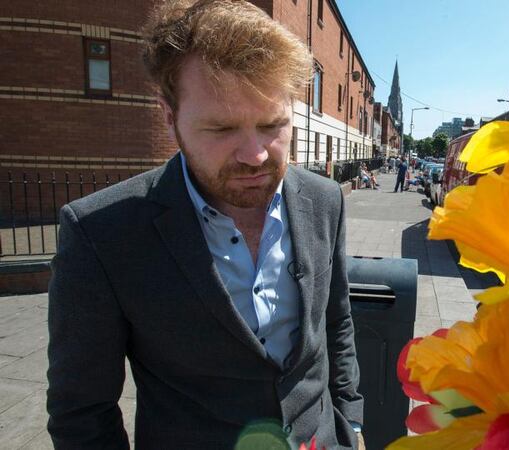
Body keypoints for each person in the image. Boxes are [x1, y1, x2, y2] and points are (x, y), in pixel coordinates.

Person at [46, 1, 364, 449]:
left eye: (273, 124)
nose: (255, 154)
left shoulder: (324, 200)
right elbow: (81, 413)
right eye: (221, 129)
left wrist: (353, 422)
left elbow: (337, 324)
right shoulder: (102, 233)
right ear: (168, 114)